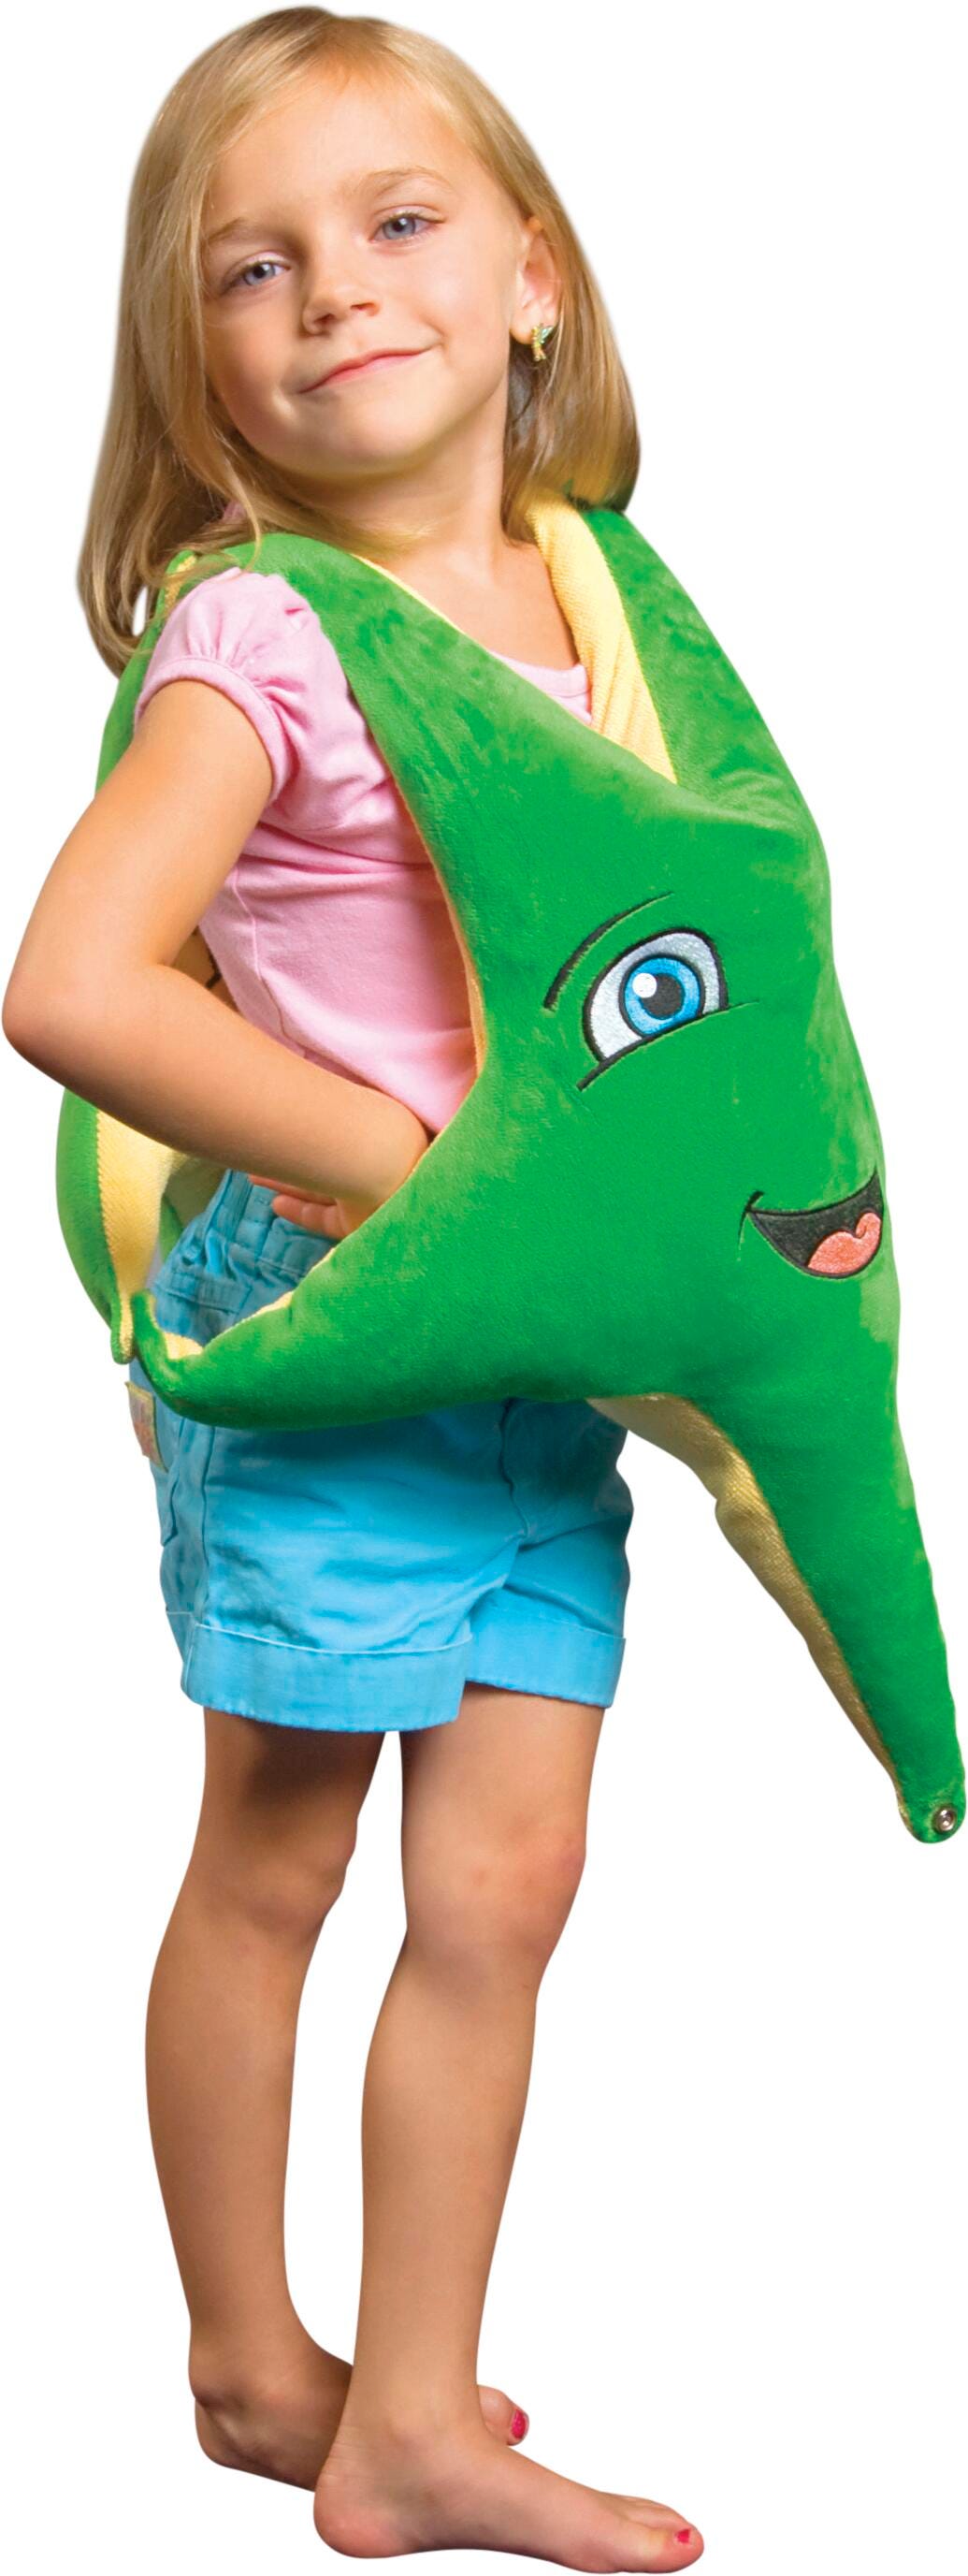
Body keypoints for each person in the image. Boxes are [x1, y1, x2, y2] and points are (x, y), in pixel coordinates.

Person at [3, 10, 701, 2566]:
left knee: (504, 1891)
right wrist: (410, 1168)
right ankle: (241, 2356)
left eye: (401, 223)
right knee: (275, 1860)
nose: (336, 293)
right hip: (328, 1334)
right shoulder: (262, 640)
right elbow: (75, 983)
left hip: (541, 1366)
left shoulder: (605, 608)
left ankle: (407, 2418)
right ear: (194, 364)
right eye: (253, 266)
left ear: (534, 277)